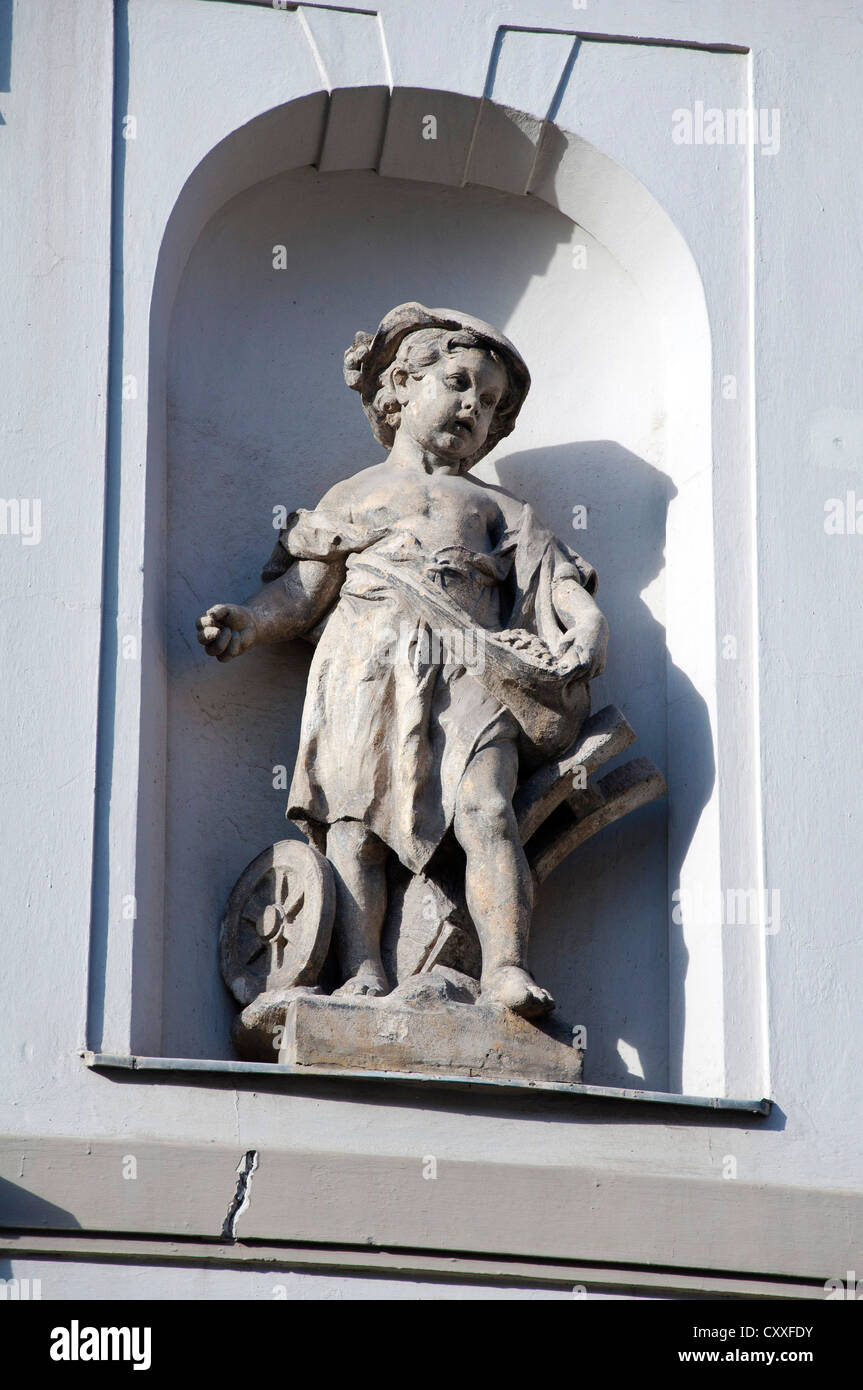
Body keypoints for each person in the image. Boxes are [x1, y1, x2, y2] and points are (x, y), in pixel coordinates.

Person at [197, 303, 608, 1018]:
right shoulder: (352, 496)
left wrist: (588, 626)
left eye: (488, 403)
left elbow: (556, 583)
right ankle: (360, 970)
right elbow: (303, 594)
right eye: (457, 384)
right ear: (400, 387)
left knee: (486, 808)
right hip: (364, 666)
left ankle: (505, 968)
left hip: (469, 674)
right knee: (353, 825)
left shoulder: (493, 507)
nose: (471, 409)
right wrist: (250, 624)